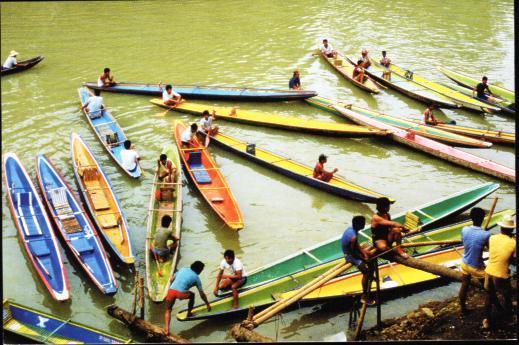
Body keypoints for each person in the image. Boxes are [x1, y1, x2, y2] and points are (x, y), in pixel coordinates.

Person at [482, 215, 516, 329]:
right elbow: (513, 259)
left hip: (488, 271)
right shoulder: (513, 242)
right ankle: (509, 318)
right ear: (511, 229)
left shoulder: (492, 238)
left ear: (501, 227)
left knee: (489, 296)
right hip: (500, 274)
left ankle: (487, 321)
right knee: (507, 295)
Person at [164, 261, 211, 335]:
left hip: (171, 291)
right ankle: (189, 313)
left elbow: (171, 279)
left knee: (168, 310)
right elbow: (202, 294)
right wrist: (207, 304)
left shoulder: (183, 269)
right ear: (199, 270)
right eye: (201, 270)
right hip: (181, 293)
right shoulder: (196, 277)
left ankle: (166, 329)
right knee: (192, 295)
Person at [458, 207, 489, 315]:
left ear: (471, 218)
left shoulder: (464, 229)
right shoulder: (486, 234)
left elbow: (464, 241)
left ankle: (463, 309)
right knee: (490, 289)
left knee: (464, 284)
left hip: (464, 263)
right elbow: (489, 249)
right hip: (477, 267)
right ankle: (497, 309)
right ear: (483, 218)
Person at [341, 215, 375, 305]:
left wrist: (364, 252)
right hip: (349, 256)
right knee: (366, 271)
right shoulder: (353, 236)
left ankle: (371, 277)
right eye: (363, 223)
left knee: (371, 257)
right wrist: (363, 258)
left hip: (353, 251)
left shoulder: (352, 229)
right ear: (359, 224)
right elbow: (353, 253)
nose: (364, 224)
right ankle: (364, 296)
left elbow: (356, 246)